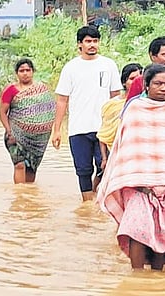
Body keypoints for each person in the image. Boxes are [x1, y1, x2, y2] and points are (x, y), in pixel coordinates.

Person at [97, 64, 165, 271]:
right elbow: (127, 146)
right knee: (137, 231)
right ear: (146, 85)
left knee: (163, 233)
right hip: (137, 184)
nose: (163, 88)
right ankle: (137, 277)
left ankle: (156, 279)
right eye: (158, 83)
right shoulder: (134, 110)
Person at [52, 25, 122, 202]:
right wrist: (57, 130)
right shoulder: (71, 68)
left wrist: (117, 126)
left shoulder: (109, 65)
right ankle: (87, 204)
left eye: (95, 41)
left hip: (104, 129)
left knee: (105, 166)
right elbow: (62, 100)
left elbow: (116, 97)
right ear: (79, 44)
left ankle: (97, 196)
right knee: (83, 170)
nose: (92, 45)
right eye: (88, 41)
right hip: (78, 127)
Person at [0, 58, 56, 184]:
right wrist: (9, 131)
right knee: (19, 165)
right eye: (21, 71)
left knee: (32, 168)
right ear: (17, 73)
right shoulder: (10, 91)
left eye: (28, 70)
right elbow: (2, 113)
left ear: (32, 72)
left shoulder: (41, 89)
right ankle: (19, 196)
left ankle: (28, 198)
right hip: (15, 136)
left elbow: (49, 111)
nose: (25, 73)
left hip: (37, 139)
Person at [96, 62, 143, 173]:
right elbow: (104, 134)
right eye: (132, 79)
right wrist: (104, 158)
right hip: (113, 152)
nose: (137, 82)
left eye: (140, 78)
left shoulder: (145, 103)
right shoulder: (111, 105)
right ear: (124, 82)